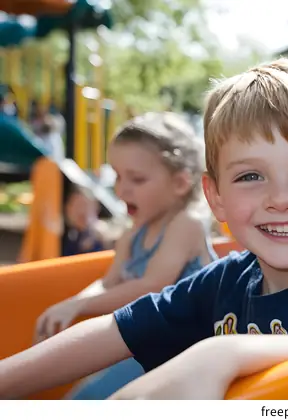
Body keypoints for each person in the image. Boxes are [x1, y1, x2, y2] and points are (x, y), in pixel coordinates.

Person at [0, 58, 288, 400]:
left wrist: (220, 354)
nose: (281, 199)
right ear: (216, 197)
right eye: (250, 177)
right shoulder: (227, 280)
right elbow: (117, 330)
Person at [31, 111, 217, 399]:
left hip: (189, 348)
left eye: (137, 179)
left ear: (180, 183)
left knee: (91, 398)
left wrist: (79, 307)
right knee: (81, 395)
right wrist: (73, 303)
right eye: (117, 176)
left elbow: (152, 286)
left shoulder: (186, 225)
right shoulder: (134, 232)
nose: (121, 189)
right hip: (152, 341)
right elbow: (110, 282)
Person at [62, 184, 106, 257]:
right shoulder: (70, 237)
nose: (81, 211)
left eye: (84, 205)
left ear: (96, 208)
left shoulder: (102, 236)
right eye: (77, 206)